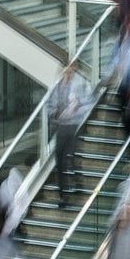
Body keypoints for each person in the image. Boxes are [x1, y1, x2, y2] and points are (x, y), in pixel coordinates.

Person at [49, 63, 92, 204]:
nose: (68, 74)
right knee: (60, 160)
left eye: (70, 71)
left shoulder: (79, 85)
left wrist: (77, 107)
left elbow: (88, 102)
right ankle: (63, 195)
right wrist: (55, 114)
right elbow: (49, 106)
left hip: (74, 126)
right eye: (66, 71)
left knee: (72, 157)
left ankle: (77, 182)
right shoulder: (57, 87)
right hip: (61, 127)